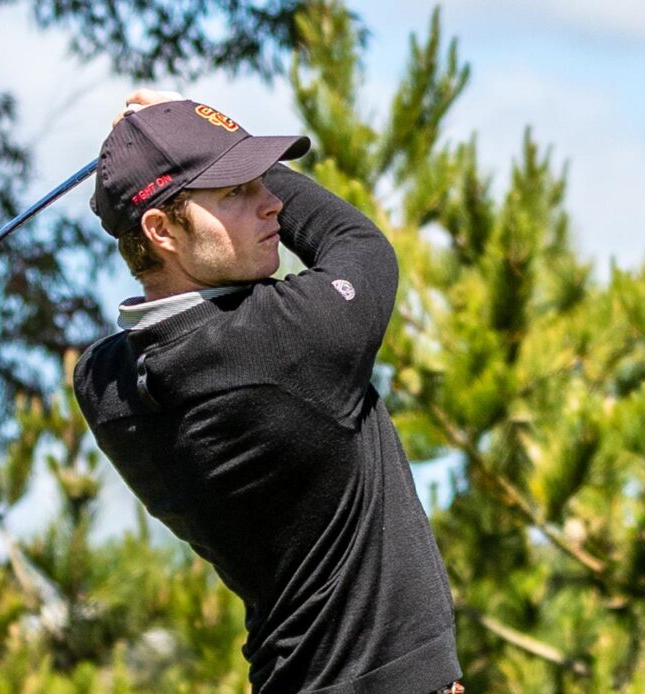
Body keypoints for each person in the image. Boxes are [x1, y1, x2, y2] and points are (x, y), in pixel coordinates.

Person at [74, 89, 463, 694]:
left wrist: (210, 144)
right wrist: (203, 122)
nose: (273, 202)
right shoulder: (280, 344)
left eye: (261, 181)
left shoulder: (104, 387)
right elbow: (360, 246)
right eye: (236, 191)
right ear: (160, 229)